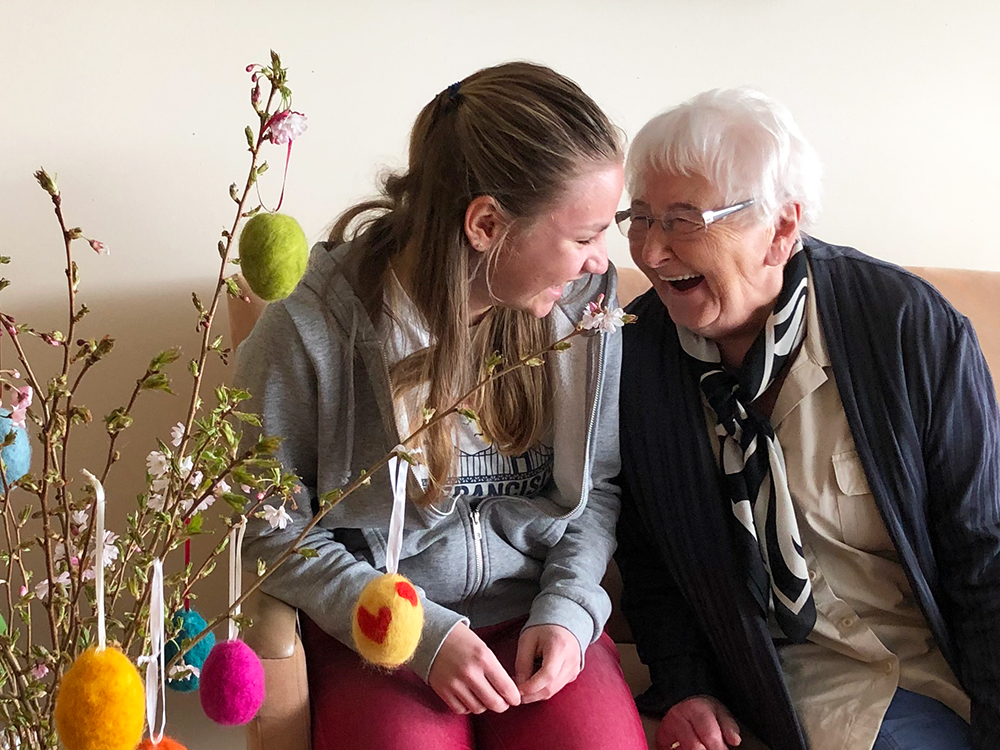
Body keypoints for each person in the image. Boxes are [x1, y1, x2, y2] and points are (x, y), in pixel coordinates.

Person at [236, 62, 647, 750]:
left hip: (537, 618)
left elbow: (596, 486)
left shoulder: (583, 314)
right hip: (377, 627)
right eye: (583, 236)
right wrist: (420, 636)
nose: (601, 263)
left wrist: (572, 611)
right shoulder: (309, 329)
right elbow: (273, 532)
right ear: (486, 223)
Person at [614, 87, 1000, 750]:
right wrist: (687, 686)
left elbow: (984, 549)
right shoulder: (637, 357)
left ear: (782, 228)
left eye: (683, 220)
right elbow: (649, 557)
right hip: (775, 678)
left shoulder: (906, 329)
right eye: (640, 218)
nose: (649, 253)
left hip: (928, 668)